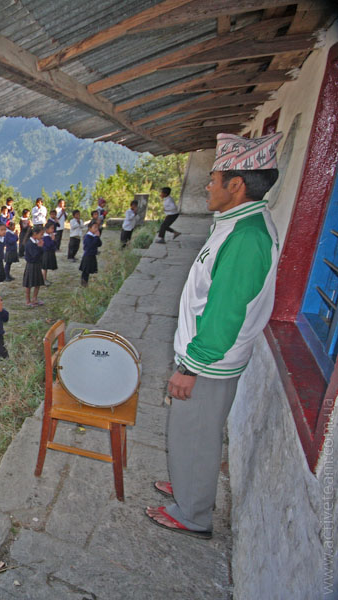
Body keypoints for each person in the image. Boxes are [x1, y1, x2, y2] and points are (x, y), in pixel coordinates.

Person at [147, 132, 283, 539]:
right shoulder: (238, 225)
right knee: (192, 432)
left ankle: (192, 513)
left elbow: (225, 313)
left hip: (209, 362)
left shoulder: (246, 237)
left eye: (214, 179)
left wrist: (190, 366)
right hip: (209, 357)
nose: (207, 186)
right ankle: (189, 482)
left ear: (236, 185)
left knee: (196, 434)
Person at [23, 227, 45, 307]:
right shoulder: (29, 243)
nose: (42, 236)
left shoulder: (36, 242)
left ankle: (34, 298)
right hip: (31, 265)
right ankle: (28, 301)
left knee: (37, 283)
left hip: (37, 265)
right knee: (29, 284)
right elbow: (34, 255)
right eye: (41, 234)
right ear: (35, 234)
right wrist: (39, 247)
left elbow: (41, 253)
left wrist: (40, 247)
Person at [79, 221, 102, 287]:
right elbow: (91, 245)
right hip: (87, 255)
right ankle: (84, 283)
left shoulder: (94, 236)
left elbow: (99, 244)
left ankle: (85, 282)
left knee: (88, 270)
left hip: (92, 255)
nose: (96, 229)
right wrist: (96, 237)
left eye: (97, 227)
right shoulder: (87, 236)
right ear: (90, 228)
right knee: (86, 270)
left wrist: (98, 237)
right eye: (95, 227)